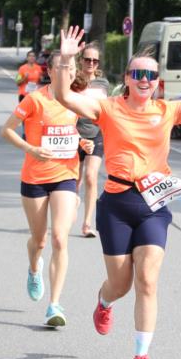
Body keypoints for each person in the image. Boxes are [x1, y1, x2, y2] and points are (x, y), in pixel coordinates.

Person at [55, 24, 181, 359]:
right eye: (138, 74)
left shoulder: (168, 111)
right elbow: (66, 98)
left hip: (154, 205)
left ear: (157, 81)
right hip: (116, 205)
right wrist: (66, 60)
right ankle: (103, 302)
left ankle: (141, 357)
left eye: (150, 74)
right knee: (121, 284)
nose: (144, 79)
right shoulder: (108, 108)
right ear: (127, 79)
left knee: (147, 279)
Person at [0, 51, 94, 327]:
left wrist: (81, 143)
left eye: (72, 68)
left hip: (65, 175)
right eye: (63, 67)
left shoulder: (76, 101)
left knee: (60, 239)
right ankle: (33, 268)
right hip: (35, 177)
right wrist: (31, 148)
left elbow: (69, 130)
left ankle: (54, 305)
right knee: (39, 241)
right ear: (51, 72)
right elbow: (6, 130)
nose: (69, 72)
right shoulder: (34, 100)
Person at [73, 43, 110, 237]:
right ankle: (72, 204)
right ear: (81, 61)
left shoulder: (103, 83)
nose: (91, 63)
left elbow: (107, 108)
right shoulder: (74, 81)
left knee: (91, 176)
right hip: (74, 133)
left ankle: (87, 224)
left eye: (95, 61)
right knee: (76, 180)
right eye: (87, 59)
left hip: (97, 133)